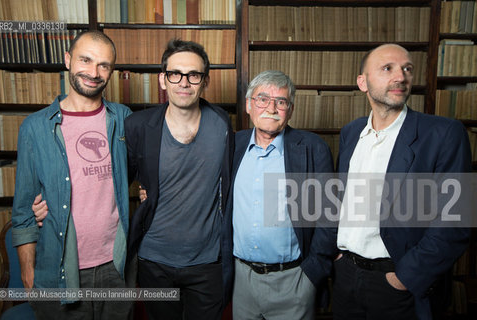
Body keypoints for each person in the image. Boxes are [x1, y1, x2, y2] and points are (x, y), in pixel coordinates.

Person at [333, 44, 472, 320]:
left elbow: (455, 222)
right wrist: (337, 259)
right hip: (346, 277)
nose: (401, 77)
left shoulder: (443, 134)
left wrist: (404, 278)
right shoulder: (351, 133)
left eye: (407, 68)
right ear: (363, 82)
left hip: (397, 284)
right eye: (388, 69)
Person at [11, 30, 133, 319]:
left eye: (104, 65)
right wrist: (29, 275)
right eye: (86, 60)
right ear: (67, 60)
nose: (94, 72)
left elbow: (139, 175)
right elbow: (23, 212)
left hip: (117, 268)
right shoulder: (35, 128)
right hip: (59, 270)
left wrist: (146, 191)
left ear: (112, 71)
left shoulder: (125, 118)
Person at [123, 39, 234, 320]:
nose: (184, 82)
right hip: (154, 260)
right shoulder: (138, 126)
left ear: (205, 81)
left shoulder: (222, 123)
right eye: (175, 74)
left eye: (193, 75)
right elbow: (112, 184)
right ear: (163, 79)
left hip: (208, 262)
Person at [222, 70, 337, 319]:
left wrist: (312, 274)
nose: (271, 108)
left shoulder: (313, 148)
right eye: (262, 99)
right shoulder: (231, 145)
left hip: (294, 280)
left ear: (290, 110)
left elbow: (331, 216)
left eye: (281, 102)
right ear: (248, 105)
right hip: (241, 280)